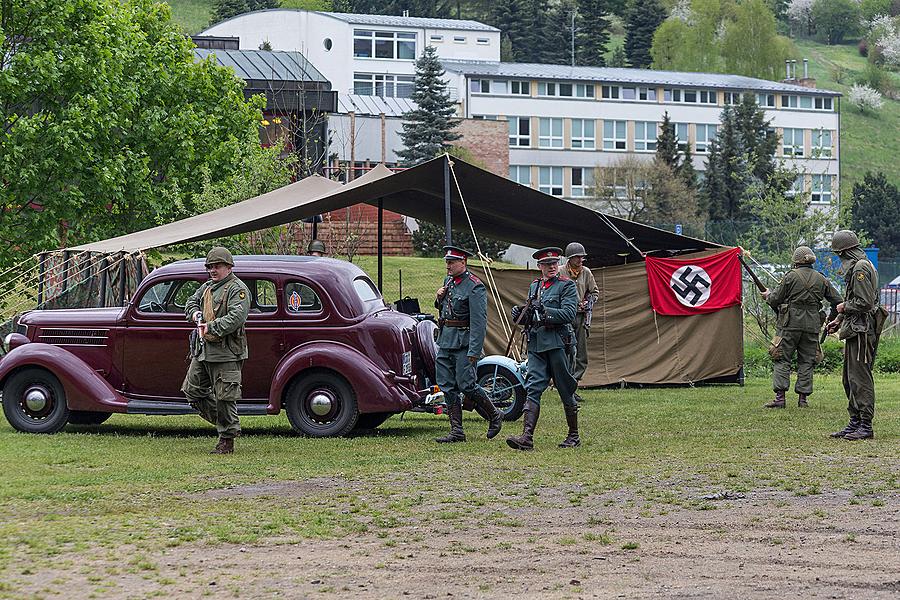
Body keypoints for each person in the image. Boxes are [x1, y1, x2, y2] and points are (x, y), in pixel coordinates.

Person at [507, 247, 580, 451]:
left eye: (554, 263)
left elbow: (568, 314)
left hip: (558, 343)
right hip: (537, 344)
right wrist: (521, 313)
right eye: (547, 265)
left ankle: (573, 435)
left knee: (565, 388)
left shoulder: (567, 286)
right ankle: (526, 438)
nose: (552, 267)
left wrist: (544, 310)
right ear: (540, 266)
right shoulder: (535, 286)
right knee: (533, 387)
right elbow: (533, 313)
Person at [181, 247, 251, 454]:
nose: (213, 270)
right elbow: (191, 302)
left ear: (229, 267)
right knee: (192, 390)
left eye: (217, 266)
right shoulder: (207, 288)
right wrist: (195, 315)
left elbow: (236, 318)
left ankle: (227, 439)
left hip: (226, 352)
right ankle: (228, 426)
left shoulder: (237, 289)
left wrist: (210, 327)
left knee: (225, 396)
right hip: (203, 350)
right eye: (210, 267)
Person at [434, 245, 502, 443]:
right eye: (447, 262)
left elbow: (479, 322)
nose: (448, 266)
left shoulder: (474, 286)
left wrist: (474, 350)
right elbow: (445, 309)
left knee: (467, 384)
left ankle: (494, 414)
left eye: (451, 262)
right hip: (446, 340)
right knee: (447, 385)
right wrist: (438, 298)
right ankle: (457, 431)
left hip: (464, 343)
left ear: (462, 262)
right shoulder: (449, 281)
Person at [761, 246, 841, 409]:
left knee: (781, 357)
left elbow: (775, 299)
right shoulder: (821, 278)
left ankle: (780, 398)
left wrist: (767, 296)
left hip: (789, 324)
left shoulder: (790, 276)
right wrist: (832, 318)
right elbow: (838, 301)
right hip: (812, 325)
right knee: (807, 361)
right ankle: (803, 400)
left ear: (795, 261)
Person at [826, 230, 882, 441]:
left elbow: (865, 303)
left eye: (839, 254)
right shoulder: (860, 265)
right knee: (849, 379)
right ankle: (855, 422)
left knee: (860, 379)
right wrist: (838, 320)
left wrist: (842, 307)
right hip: (854, 328)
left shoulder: (860, 268)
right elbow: (856, 299)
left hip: (862, 330)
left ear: (845, 251)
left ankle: (865, 425)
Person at [562, 242, 600, 394]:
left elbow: (595, 292)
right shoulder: (560, 272)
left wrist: (588, 301)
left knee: (581, 354)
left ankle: (573, 385)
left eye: (581, 257)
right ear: (569, 258)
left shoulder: (586, 272)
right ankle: (565, 385)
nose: (580, 260)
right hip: (565, 317)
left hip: (581, 317)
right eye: (577, 257)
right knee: (567, 352)